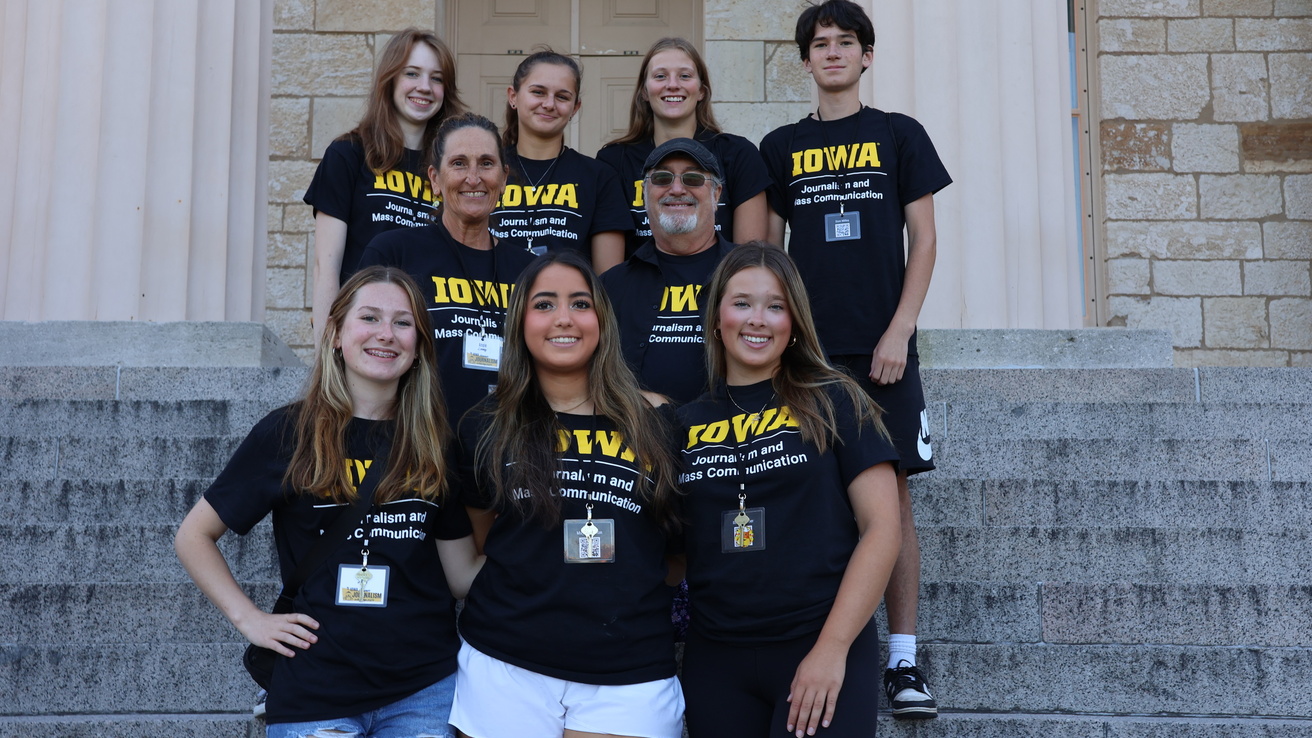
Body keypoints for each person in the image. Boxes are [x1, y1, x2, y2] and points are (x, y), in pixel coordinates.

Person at [174, 266, 481, 737]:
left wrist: (542, 551)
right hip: (316, 689)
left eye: (403, 323)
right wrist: (251, 620)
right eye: (370, 318)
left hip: (423, 690)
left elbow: (461, 576)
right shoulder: (289, 433)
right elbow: (194, 535)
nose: (387, 334)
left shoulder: (434, 443)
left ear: (419, 345)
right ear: (336, 334)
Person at [759, 0, 952, 719]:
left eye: (846, 43)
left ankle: (902, 660)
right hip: (806, 353)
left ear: (867, 56)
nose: (833, 53)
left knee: (892, 495)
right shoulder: (780, 145)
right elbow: (767, 257)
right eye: (820, 44)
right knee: (804, 490)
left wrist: (900, 329)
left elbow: (924, 241)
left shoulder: (899, 135)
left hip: (882, 352)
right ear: (805, 60)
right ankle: (810, 636)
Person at [450, 250, 685, 738]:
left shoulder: (658, 422)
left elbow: (675, 551)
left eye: (580, 303)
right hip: (506, 663)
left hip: (629, 668)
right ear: (520, 322)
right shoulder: (484, 426)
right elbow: (480, 539)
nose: (563, 318)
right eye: (544, 305)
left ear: (602, 319)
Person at [676, 243, 902, 738]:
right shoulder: (683, 423)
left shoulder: (837, 400)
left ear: (794, 321)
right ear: (716, 317)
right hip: (716, 658)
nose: (758, 319)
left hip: (819, 640)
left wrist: (832, 649)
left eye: (775, 306)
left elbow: (883, 529)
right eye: (742, 303)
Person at [359, 113, 536, 425]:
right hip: (416, 444)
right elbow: (361, 347)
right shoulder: (393, 252)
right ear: (435, 179)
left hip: (507, 447)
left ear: (504, 177)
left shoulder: (529, 269)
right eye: (458, 163)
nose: (473, 177)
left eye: (486, 163)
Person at [305, 28, 466, 343]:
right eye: (412, 74)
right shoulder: (348, 154)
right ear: (390, 79)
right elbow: (327, 267)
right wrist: (327, 350)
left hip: (434, 336)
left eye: (436, 78)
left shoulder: (454, 167)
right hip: (368, 332)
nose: (424, 87)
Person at [596, 37, 771, 258]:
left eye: (685, 76)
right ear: (643, 91)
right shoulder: (613, 161)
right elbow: (611, 277)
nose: (672, 84)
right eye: (660, 76)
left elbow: (749, 259)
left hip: (720, 289)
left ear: (701, 91)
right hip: (643, 291)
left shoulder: (738, 154)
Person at [600, 138, 736, 405]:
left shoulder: (752, 274)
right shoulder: (611, 286)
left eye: (693, 179)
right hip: (637, 440)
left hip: (733, 440)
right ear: (643, 193)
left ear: (717, 194)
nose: (676, 189)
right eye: (662, 178)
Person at [491, 50, 631, 273]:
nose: (549, 104)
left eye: (562, 97)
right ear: (513, 97)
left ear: (575, 108)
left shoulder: (599, 177)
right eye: (538, 92)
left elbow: (609, 282)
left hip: (566, 306)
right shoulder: (486, 170)